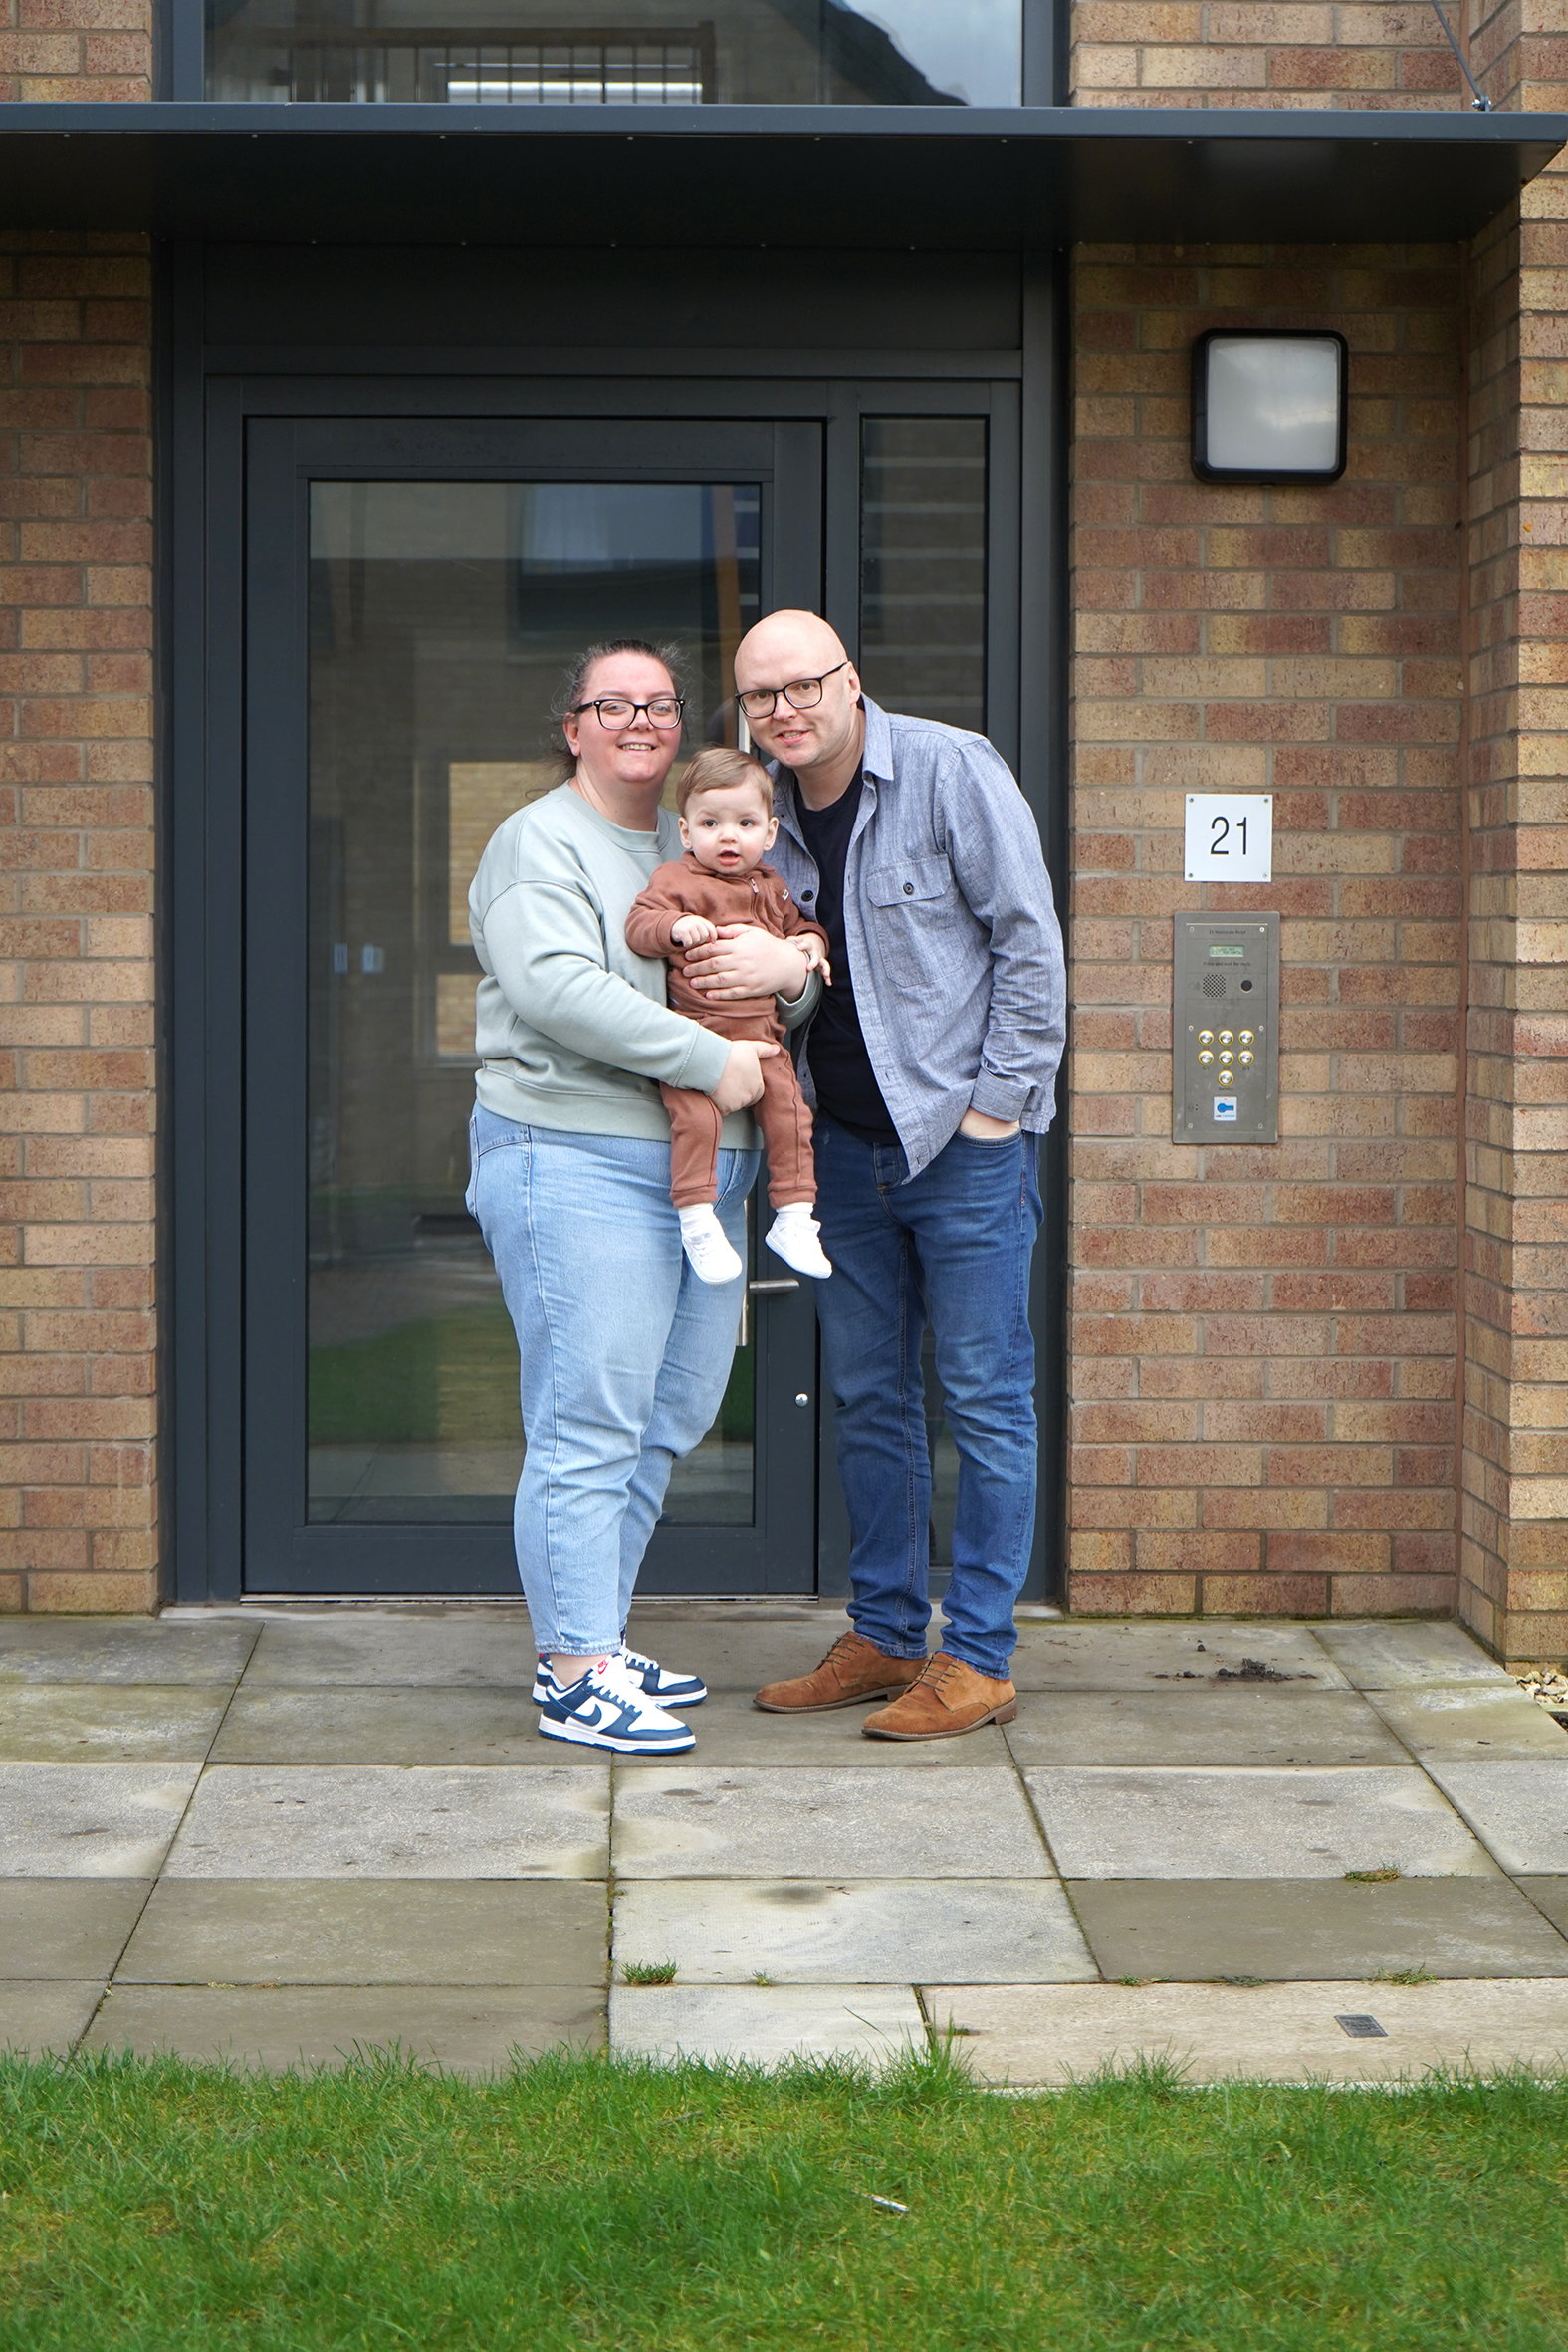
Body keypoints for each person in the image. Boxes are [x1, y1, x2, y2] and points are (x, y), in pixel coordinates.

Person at [684, 610, 1065, 1741]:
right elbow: (793, 985)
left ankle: (979, 1656)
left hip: (963, 1147)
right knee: (870, 1399)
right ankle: (888, 1635)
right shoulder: (762, 817)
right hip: (839, 1155)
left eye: (803, 685)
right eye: (760, 696)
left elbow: (1029, 942)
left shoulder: (951, 771)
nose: (783, 710)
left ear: (851, 682)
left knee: (985, 1397)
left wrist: (998, 1109)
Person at [466, 638, 821, 1754]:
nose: (639, 721)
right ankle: (573, 1671)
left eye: (660, 704)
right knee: (588, 1421)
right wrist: (707, 1061)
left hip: (704, 1172)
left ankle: (598, 1636)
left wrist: (792, 977)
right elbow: (556, 988)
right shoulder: (538, 841)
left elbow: (772, 982)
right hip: (574, 1156)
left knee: (668, 1418)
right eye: (612, 704)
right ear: (572, 726)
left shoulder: (699, 839)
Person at [624, 744, 833, 1286]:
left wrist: (810, 945)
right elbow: (639, 925)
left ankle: (794, 1217)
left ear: (769, 832)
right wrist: (673, 928)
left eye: (744, 823)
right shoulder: (676, 881)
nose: (728, 837)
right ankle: (696, 1219)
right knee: (696, 1121)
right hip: (700, 1041)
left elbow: (801, 926)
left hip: (764, 1043)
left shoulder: (772, 886)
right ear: (686, 831)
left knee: (792, 1114)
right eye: (710, 823)